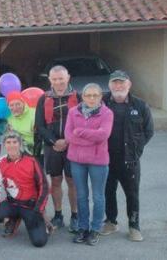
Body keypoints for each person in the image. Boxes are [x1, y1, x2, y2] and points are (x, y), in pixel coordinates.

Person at [101, 70, 154, 242]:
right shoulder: (101, 102)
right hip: (106, 158)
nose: (118, 86)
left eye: (121, 82)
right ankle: (111, 221)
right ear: (109, 85)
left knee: (132, 194)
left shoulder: (140, 105)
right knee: (108, 191)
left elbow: (148, 131)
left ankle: (134, 226)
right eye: (115, 83)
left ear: (129, 84)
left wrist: (136, 150)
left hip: (130, 159)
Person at [65, 83, 113, 246]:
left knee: (98, 196)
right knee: (81, 196)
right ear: (82, 97)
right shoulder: (73, 112)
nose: (91, 98)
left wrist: (80, 133)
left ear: (101, 97)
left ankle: (95, 229)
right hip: (77, 161)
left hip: (98, 161)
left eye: (95, 95)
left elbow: (103, 135)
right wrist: (90, 139)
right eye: (88, 95)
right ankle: (83, 228)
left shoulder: (107, 113)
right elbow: (69, 136)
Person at [34, 65, 80, 232]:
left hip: (73, 146)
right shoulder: (43, 98)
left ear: (68, 78)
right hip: (52, 146)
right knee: (55, 181)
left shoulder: (78, 96)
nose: (58, 82)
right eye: (55, 79)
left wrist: (67, 141)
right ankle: (58, 215)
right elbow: (39, 125)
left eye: (61, 78)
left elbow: (83, 122)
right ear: (50, 80)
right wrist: (54, 141)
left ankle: (75, 216)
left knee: (72, 181)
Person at [0, 131, 50, 248]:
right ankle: (13, 219)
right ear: (4, 145)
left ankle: (42, 222)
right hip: (12, 203)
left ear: (20, 143)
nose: (11, 145)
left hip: (31, 206)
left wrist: (38, 209)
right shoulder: (0, 162)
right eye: (8, 142)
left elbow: (44, 186)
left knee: (39, 242)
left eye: (15, 142)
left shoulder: (32, 161)